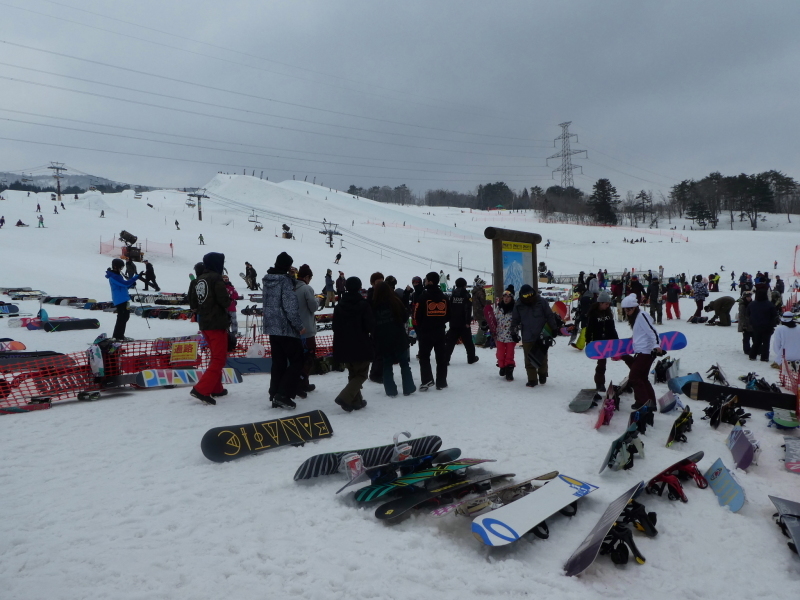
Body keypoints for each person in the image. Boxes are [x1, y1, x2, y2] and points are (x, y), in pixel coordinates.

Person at [262, 252, 305, 409]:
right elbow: (290, 307)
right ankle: (283, 394)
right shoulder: (285, 282)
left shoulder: (268, 280)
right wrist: (299, 326)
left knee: (278, 362)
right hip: (286, 328)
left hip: (272, 327)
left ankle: (274, 393)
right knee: (297, 360)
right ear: (288, 266)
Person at [187, 252, 231, 405]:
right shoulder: (216, 278)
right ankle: (201, 389)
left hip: (204, 323)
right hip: (217, 323)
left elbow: (193, 303)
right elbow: (224, 301)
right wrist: (230, 298)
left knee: (215, 356)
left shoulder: (199, 279)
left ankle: (216, 387)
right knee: (219, 359)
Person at [332, 276, 373, 411]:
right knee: (361, 374)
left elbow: (335, 327)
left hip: (343, 345)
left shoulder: (339, 306)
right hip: (360, 344)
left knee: (353, 373)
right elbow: (369, 326)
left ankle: (356, 402)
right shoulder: (364, 305)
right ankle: (344, 397)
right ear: (359, 287)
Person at [619, 294, 663, 409]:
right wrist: (634, 339)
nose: (627, 312)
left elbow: (653, 331)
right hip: (642, 351)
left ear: (634, 307)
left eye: (629, 309)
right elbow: (642, 333)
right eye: (625, 310)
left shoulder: (642, 315)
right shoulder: (637, 317)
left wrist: (657, 345)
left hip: (647, 352)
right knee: (642, 378)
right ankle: (650, 403)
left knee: (634, 377)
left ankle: (642, 403)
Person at [372, 281, 415, 397]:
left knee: (386, 365)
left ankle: (391, 390)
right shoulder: (395, 302)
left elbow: (371, 324)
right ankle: (408, 387)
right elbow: (405, 317)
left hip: (383, 339)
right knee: (404, 363)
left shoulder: (373, 305)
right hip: (398, 336)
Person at [512, 284, 557, 387]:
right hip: (527, 335)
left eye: (530, 294)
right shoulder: (519, 305)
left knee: (542, 357)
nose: (529, 298)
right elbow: (515, 320)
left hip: (542, 334)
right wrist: (513, 333)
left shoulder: (541, 302)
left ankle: (542, 374)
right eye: (526, 296)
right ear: (522, 296)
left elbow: (549, 315)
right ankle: (532, 379)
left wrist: (554, 328)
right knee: (529, 358)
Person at [414, 272, 449, 390]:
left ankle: (427, 380)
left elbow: (416, 315)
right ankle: (442, 382)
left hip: (426, 331)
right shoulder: (444, 297)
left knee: (424, 357)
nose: (424, 281)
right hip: (440, 331)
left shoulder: (423, 297)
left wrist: (420, 326)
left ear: (430, 282)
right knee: (441, 358)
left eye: (426, 279)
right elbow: (449, 314)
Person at [585, 291, 618, 399]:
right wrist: (588, 341)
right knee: (602, 363)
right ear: (600, 303)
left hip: (609, 340)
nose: (608, 306)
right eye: (606, 304)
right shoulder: (593, 314)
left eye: (608, 304)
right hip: (599, 342)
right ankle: (600, 383)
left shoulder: (608, 313)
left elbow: (612, 328)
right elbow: (589, 329)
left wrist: (616, 341)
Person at [294, 264, 318, 398]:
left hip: (294, 330)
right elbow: (313, 307)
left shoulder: (292, 287)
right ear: (307, 277)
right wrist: (319, 301)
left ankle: (303, 383)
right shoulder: (306, 288)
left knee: (298, 358)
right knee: (309, 358)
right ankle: (301, 383)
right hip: (307, 329)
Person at [445, 278, 479, 365]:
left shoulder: (452, 295)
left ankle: (445, 359)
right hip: (464, 323)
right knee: (468, 343)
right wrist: (468, 322)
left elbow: (449, 308)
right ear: (465, 285)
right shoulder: (466, 295)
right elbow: (467, 309)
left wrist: (450, 319)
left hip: (453, 322)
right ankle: (471, 358)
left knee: (450, 343)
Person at [105, 258, 140, 341]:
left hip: (123, 298)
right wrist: (135, 278)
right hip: (120, 299)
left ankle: (119, 335)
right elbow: (124, 283)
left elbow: (124, 286)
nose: (121, 269)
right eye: (120, 267)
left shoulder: (117, 275)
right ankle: (117, 336)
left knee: (125, 317)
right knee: (122, 317)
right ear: (115, 267)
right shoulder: (113, 276)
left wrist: (131, 284)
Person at [747, 288, 779, 362]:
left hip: (756, 325)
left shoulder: (752, 304)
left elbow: (748, 314)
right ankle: (764, 357)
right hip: (767, 326)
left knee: (757, 341)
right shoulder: (769, 304)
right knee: (766, 342)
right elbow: (774, 315)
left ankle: (752, 355)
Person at [494, 290, 517, 381]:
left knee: (509, 354)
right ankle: (502, 366)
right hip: (500, 335)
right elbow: (494, 320)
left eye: (508, 297)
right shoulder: (499, 308)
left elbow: (518, 321)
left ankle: (509, 370)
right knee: (500, 354)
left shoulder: (515, 309)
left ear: (511, 298)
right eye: (504, 297)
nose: (506, 299)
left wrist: (516, 331)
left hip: (511, 336)